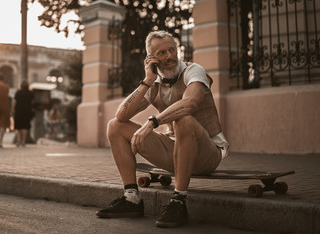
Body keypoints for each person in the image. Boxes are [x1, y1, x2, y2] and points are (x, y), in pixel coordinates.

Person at [96, 31, 229, 228]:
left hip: (207, 153)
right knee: (115, 126)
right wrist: (147, 80)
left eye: (171, 50)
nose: (168, 56)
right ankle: (131, 198)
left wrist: (152, 123)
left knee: (183, 120)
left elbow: (190, 103)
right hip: (174, 152)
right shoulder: (155, 84)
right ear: (151, 59)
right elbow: (122, 115)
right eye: (161, 53)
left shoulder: (193, 71)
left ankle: (178, 201)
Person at [11, 80, 34, 147]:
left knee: (18, 127)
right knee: (25, 127)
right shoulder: (30, 93)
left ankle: (18, 141)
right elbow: (33, 102)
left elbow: (14, 102)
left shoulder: (18, 92)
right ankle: (23, 142)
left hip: (19, 111)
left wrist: (12, 110)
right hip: (27, 111)